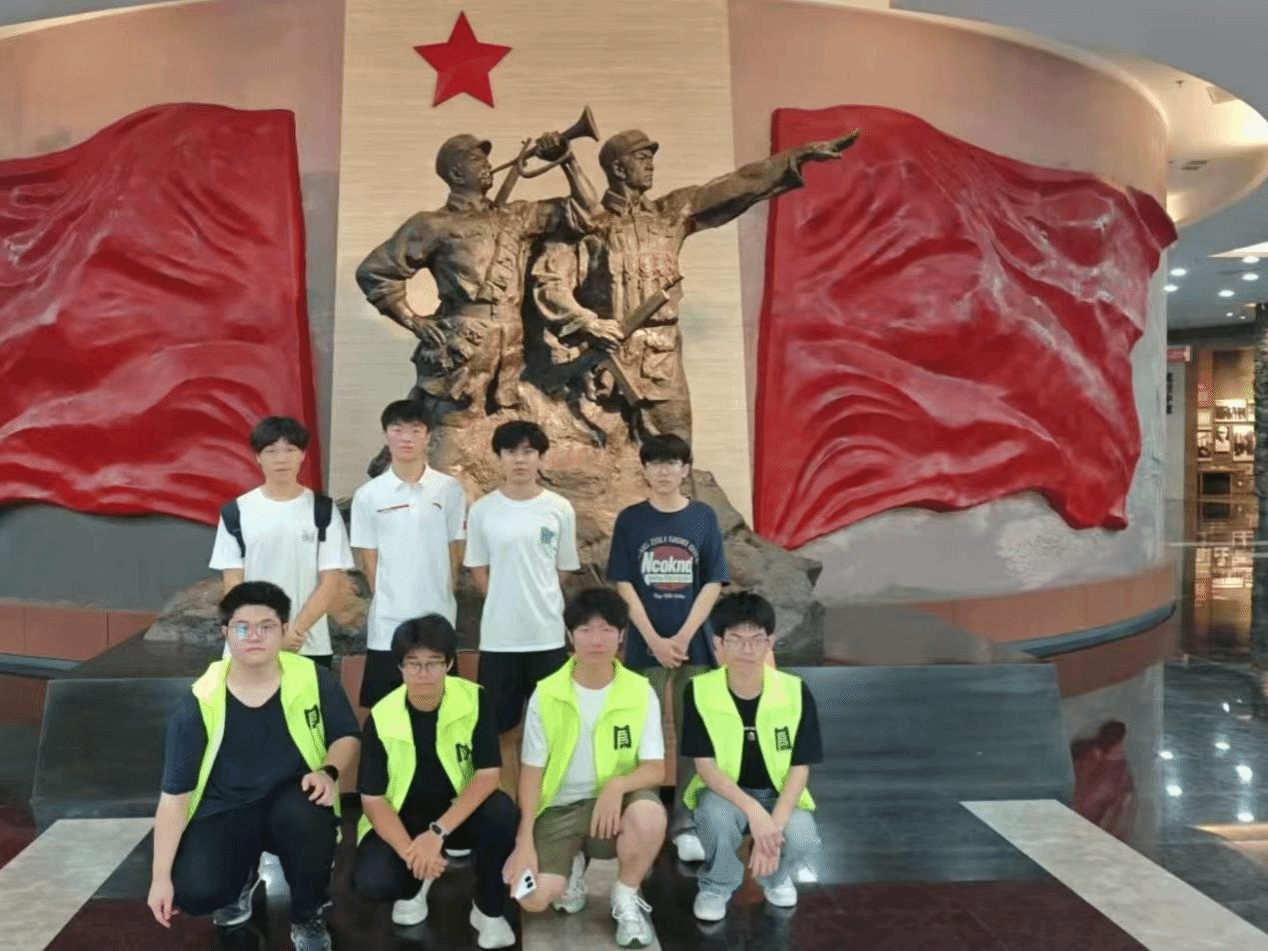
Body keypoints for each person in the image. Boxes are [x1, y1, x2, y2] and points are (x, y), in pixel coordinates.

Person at [532, 128, 857, 440]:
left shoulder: (669, 214)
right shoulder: (586, 224)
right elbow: (550, 283)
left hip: (660, 356)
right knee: (596, 451)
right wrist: (588, 323)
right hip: (603, 356)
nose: (651, 165)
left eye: (651, 158)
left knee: (674, 448)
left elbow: (741, 183)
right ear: (619, 168)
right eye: (642, 158)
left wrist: (797, 155)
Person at [147, 582, 360, 951]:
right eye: (242, 627)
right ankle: (241, 876)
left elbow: (346, 735)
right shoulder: (197, 703)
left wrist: (328, 772)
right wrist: (159, 878)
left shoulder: (313, 679)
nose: (254, 636)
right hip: (227, 808)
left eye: (266, 626)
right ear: (226, 633)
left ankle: (307, 915)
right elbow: (174, 798)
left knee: (310, 817)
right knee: (194, 891)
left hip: (292, 804)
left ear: (284, 630)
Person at [355, 131, 603, 419]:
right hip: (462, 348)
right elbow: (375, 272)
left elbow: (589, 213)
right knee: (452, 430)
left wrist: (566, 159)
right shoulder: (432, 224)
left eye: (486, 159)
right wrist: (413, 321)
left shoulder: (516, 215)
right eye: (476, 159)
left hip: (512, 347)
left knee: (508, 433)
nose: (487, 164)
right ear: (456, 174)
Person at [502, 588, 666, 948]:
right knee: (531, 898)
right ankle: (571, 864)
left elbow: (656, 768)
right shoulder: (547, 693)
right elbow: (531, 772)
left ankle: (625, 894)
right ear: (569, 635)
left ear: (621, 635)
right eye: (585, 630)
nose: (596, 640)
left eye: (607, 629)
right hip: (559, 807)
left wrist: (616, 786)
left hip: (613, 807)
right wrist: (523, 839)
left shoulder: (640, 691)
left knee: (649, 816)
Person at [353, 614, 518, 948]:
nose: (423, 673)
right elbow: (373, 799)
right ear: (399, 667)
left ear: (450, 664)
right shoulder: (381, 717)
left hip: (459, 811)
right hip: (405, 817)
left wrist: (437, 833)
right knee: (374, 881)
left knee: (502, 814)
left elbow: (488, 775)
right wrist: (413, 853)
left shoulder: (475, 699)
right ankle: (417, 882)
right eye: (413, 663)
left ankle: (487, 909)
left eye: (433, 663)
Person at [607, 433, 728, 862]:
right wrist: (655, 640)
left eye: (672, 463)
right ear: (645, 470)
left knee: (694, 734)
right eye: (655, 463)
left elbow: (713, 581)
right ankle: (642, 813)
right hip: (645, 647)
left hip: (694, 645)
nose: (663, 471)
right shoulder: (631, 520)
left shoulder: (703, 518)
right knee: (642, 731)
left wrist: (682, 636)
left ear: (685, 469)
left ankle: (687, 823)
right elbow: (624, 583)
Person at [679, 591, 822, 923]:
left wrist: (772, 826)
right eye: (736, 640)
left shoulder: (795, 691)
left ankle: (775, 877)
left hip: (778, 793)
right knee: (714, 818)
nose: (747, 650)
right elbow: (705, 767)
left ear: (770, 642)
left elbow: (800, 769)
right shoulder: (699, 691)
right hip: (725, 793)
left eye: (757, 639)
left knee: (804, 838)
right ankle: (717, 885)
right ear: (719, 644)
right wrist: (755, 812)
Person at [463, 420, 580, 784]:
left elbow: (564, 567)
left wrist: (538, 595)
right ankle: (509, 805)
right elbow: (477, 568)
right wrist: (504, 598)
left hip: (547, 636)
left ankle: (548, 809)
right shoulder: (483, 510)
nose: (519, 459)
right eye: (511, 451)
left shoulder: (559, 508)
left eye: (528, 451)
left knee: (553, 731)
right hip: (500, 640)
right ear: (498, 458)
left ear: (541, 458)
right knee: (502, 732)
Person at [209, 416, 354, 667]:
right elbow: (233, 585)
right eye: (271, 451)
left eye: (290, 450)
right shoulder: (236, 512)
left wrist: (294, 630)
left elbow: (330, 582)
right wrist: (267, 633)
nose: (281, 459)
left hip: (306, 643)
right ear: (258, 457)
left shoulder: (323, 511)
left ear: (303, 455)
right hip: (249, 644)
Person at [352, 400, 467, 709]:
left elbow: (455, 550)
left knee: (442, 709)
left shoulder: (449, 490)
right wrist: (389, 597)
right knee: (386, 710)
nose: (406, 438)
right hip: (388, 623)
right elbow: (368, 559)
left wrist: (442, 592)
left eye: (415, 430)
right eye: (397, 429)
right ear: (386, 435)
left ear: (427, 436)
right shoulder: (368, 495)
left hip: (439, 617)